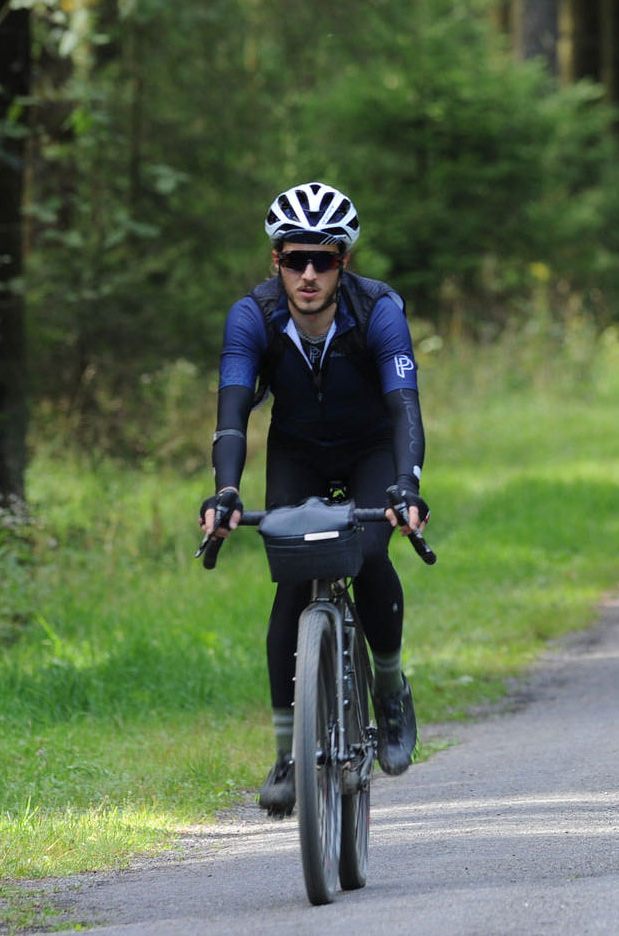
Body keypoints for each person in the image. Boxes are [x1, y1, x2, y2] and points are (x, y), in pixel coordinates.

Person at [199, 182, 429, 817]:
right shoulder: (253, 315)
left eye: (322, 260)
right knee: (293, 583)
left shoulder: (379, 309)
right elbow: (233, 414)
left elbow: (404, 406)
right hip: (297, 452)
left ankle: (388, 688)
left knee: (373, 553)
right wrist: (225, 491)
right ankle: (285, 752)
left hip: (371, 450)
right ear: (276, 260)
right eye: (294, 259)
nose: (307, 274)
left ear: (342, 263)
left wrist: (406, 483)